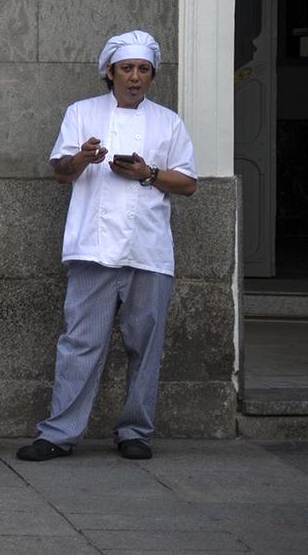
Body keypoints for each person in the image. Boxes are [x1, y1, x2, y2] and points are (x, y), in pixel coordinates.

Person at [17, 30, 197, 462]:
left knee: (145, 343)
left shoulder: (168, 121)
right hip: (92, 248)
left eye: (143, 70)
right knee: (80, 342)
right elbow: (60, 171)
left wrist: (148, 173)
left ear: (152, 75)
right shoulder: (81, 113)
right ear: (110, 72)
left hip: (149, 249)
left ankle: (136, 431)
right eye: (127, 69)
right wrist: (84, 158)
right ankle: (59, 433)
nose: (135, 77)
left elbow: (188, 183)